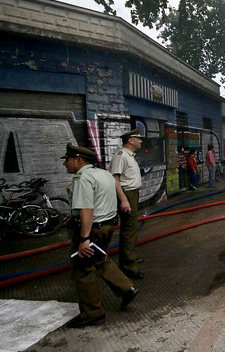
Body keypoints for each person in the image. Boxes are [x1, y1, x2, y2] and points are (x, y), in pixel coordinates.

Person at [62, 143, 139, 328]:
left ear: (79, 160)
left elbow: (86, 209)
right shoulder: (104, 174)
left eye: (68, 160)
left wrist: (84, 239)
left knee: (82, 270)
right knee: (101, 260)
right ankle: (126, 289)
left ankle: (92, 314)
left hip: (92, 230)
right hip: (108, 227)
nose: (65, 164)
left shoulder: (83, 178)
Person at [109, 128, 144, 280]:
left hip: (132, 194)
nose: (141, 141)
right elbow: (115, 179)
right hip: (127, 194)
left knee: (131, 228)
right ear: (131, 140)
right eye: (138, 138)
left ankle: (130, 257)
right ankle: (128, 266)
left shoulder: (130, 156)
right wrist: (123, 199)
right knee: (129, 229)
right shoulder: (121, 156)